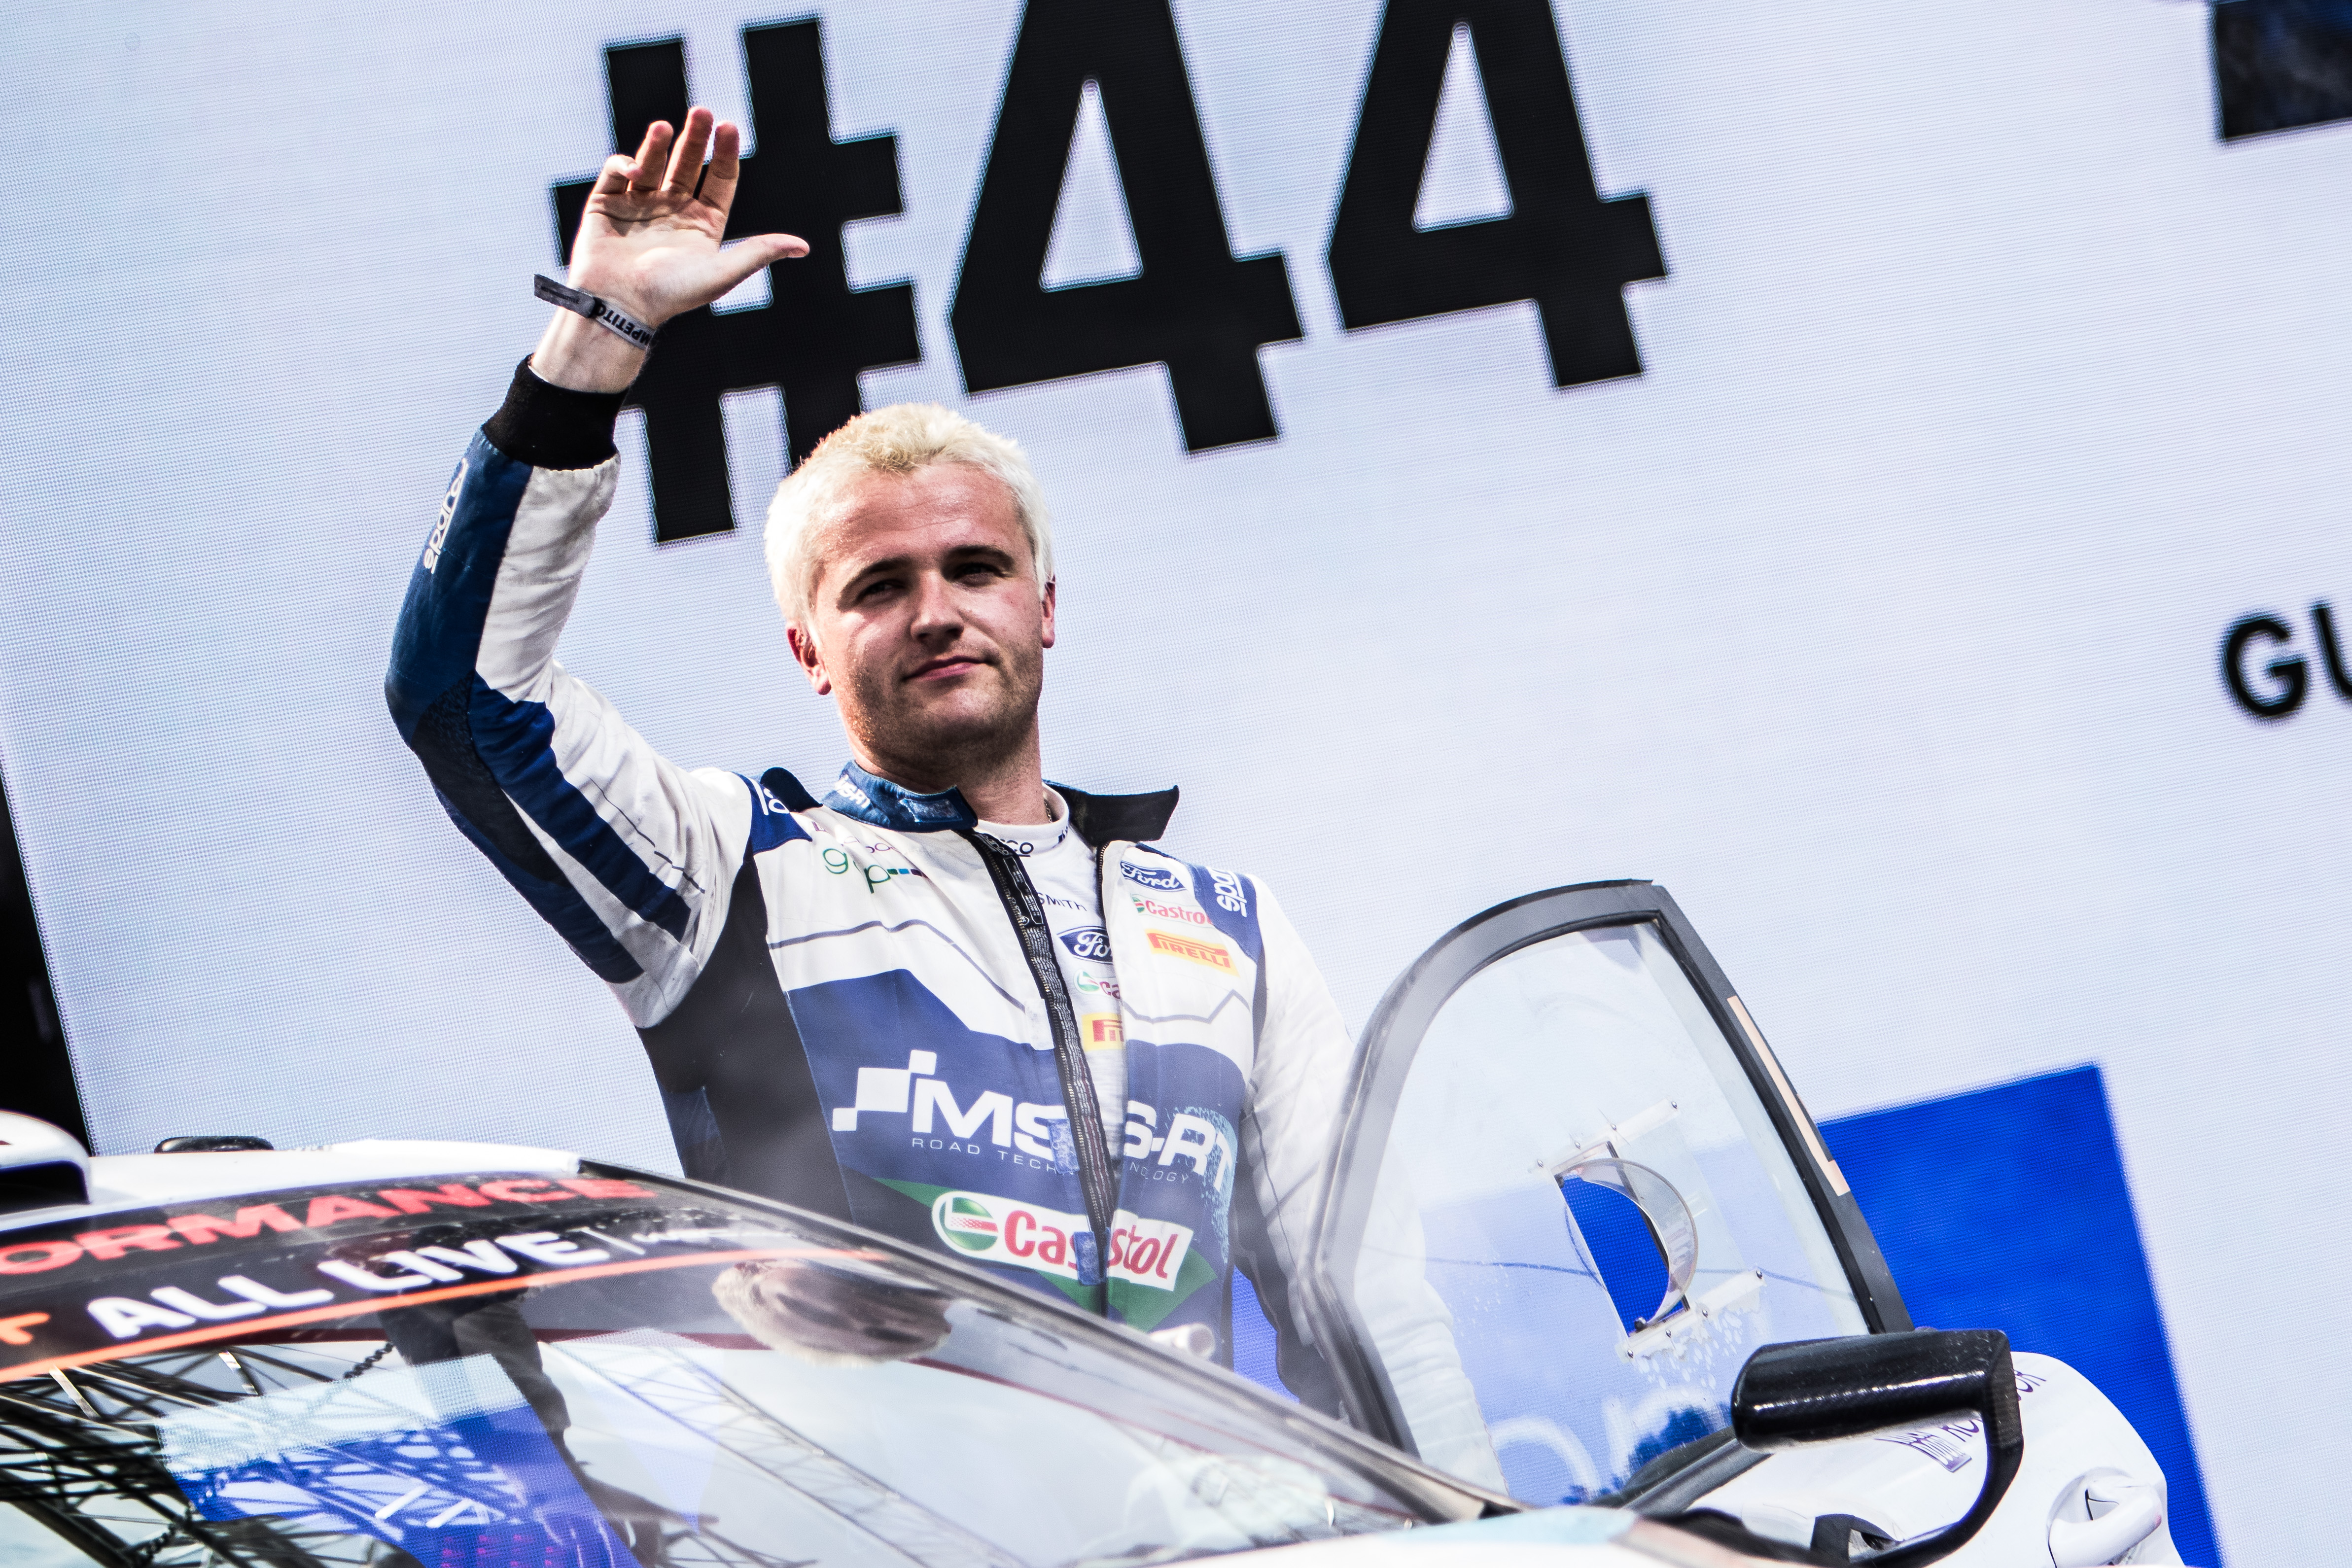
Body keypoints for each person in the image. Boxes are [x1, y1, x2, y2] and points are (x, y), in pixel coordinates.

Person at [386, 108, 1497, 1481]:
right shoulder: (727, 876)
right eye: (877, 586)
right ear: (808, 648)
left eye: (975, 569)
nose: (936, 611)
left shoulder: (1230, 929)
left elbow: (1371, 1314)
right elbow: (461, 694)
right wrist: (595, 339)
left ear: (1045, 605)